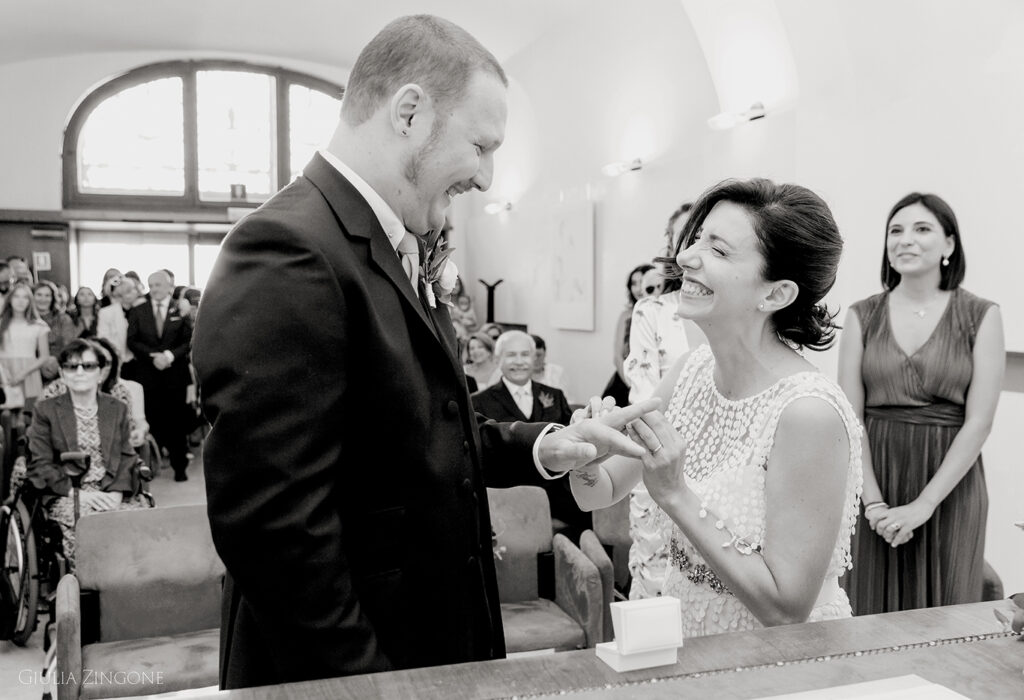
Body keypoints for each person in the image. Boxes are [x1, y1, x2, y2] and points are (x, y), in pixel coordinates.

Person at [191, 15, 655, 689]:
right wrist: (371, 686)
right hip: (357, 664)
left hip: (433, 644)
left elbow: (420, 425)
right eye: (481, 145)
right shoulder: (290, 252)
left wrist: (546, 444)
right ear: (408, 112)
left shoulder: (391, 242)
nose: (489, 178)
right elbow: (276, 532)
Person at [570, 178, 863, 637]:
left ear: (775, 294)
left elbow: (786, 609)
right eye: (698, 238)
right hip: (690, 637)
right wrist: (585, 451)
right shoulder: (689, 372)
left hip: (772, 658)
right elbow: (600, 490)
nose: (685, 257)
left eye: (719, 250)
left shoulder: (808, 413)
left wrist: (674, 495)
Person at [839, 193, 1004, 615]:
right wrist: (873, 503)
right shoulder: (862, 315)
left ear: (949, 244)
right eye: (896, 231)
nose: (905, 240)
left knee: (948, 613)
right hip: (874, 478)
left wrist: (924, 505)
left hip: (950, 486)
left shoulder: (980, 315)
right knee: (867, 612)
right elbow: (849, 417)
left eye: (922, 229)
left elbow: (979, 421)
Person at [623, 203, 696, 599]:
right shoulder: (652, 312)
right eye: (686, 236)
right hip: (662, 455)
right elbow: (646, 399)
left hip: (730, 475)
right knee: (661, 591)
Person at [26, 340, 150, 566]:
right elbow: (41, 464)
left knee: (141, 523)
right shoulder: (46, 411)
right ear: (62, 374)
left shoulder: (116, 408)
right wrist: (81, 495)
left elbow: (127, 456)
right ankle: (92, 587)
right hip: (68, 493)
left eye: (88, 366)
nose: (80, 372)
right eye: (72, 367)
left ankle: (132, 586)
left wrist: (116, 494)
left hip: (110, 490)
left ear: (101, 373)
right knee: (90, 524)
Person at [472, 331, 589, 540]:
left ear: (534, 359)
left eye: (525, 355)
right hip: (509, 498)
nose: (519, 362)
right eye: (511, 355)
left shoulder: (554, 395)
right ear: (498, 360)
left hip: (558, 494)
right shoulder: (478, 402)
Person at [127, 270, 192, 481]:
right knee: (152, 420)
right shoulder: (140, 310)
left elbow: (188, 340)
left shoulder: (180, 309)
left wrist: (169, 356)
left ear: (169, 286)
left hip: (175, 374)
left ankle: (179, 467)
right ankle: (151, 466)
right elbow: (132, 340)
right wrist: (151, 356)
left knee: (177, 422)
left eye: (158, 285)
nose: (154, 289)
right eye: (151, 285)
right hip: (149, 374)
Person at [601, 264, 652, 408]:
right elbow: (617, 357)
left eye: (641, 282)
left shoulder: (660, 313)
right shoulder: (626, 316)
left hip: (651, 381)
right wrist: (631, 384)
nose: (637, 288)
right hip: (625, 381)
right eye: (633, 283)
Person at [0, 282, 51, 409]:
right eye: (16, 296)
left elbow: (44, 356)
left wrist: (23, 373)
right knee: (6, 413)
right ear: (10, 299)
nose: (20, 301)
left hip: (29, 372)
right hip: (4, 372)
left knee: (29, 413)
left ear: (30, 301)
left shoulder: (39, 325)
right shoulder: (1, 324)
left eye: (25, 297)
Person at [33, 280, 77, 382]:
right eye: (39, 295)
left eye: (47, 295)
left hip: (57, 368)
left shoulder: (63, 319)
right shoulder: (26, 320)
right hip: (30, 369)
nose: (43, 299)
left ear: (53, 298)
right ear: (32, 297)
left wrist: (55, 361)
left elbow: (69, 346)